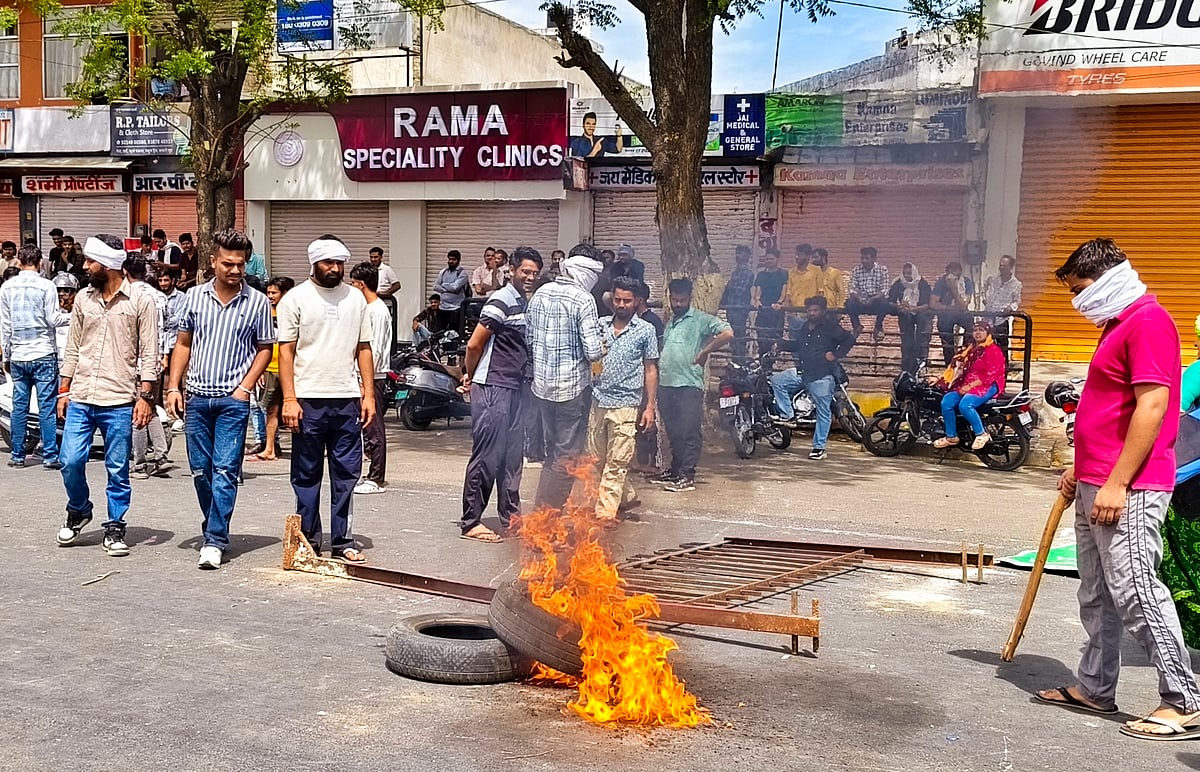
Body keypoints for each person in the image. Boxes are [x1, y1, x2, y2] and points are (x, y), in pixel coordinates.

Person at [1033, 238, 1200, 742]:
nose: (1076, 302)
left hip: (1129, 486)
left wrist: (1117, 482)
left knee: (1136, 590)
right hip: (1095, 479)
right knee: (1098, 591)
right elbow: (1109, 409)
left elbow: (1151, 409)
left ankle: (1183, 700)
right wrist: (1081, 470)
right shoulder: (1117, 325)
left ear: (1108, 280)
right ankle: (1096, 687)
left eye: (1080, 289)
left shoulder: (1149, 322)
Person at [165, 229, 274, 570]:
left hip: (233, 401)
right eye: (228, 263)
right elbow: (183, 345)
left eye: (240, 264)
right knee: (201, 471)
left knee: (225, 470)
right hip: (197, 398)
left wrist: (244, 388)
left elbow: (265, 348)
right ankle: (214, 525)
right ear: (213, 262)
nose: (235, 270)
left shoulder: (256, 301)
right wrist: (173, 387)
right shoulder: (193, 298)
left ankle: (214, 539)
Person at [55, 235, 160, 557]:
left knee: (117, 467)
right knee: (69, 460)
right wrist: (63, 390)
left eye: (91, 261)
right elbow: (72, 348)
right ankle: (79, 508)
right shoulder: (84, 300)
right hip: (82, 395)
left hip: (118, 399)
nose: (86, 267)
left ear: (110, 264)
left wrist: (146, 398)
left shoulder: (141, 300)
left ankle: (115, 525)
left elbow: (150, 352)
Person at [277, 236, 375, 563]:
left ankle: (343, 539)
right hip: (307, 400)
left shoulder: (356, 299)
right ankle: (308, 541)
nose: (334, 269)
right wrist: (288, 399)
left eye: (339, 263)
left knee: (346, 473)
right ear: (314, 263)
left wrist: (368, 394)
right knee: (306, 475)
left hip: (347, 399)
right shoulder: (295, 299)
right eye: (327, 262)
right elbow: (286, 352)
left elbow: (364, 348)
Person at [458, 247, 542, 542]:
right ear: (512, 271)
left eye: (534, 273)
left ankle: (511, 518)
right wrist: (468, 374)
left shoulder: (524, 302)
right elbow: (474, 344)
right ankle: (471, 522)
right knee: (488, 456)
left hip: (516, 389)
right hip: (493, 386)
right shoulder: (502, 299)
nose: (530, 277)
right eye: (525, 271)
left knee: (511, 458)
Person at [525, 244, 605, 510]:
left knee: (553, 454)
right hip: (572, 391)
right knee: (567, 456)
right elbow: (593, 351)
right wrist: (602, 345)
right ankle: (548, 518)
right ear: (585, 274)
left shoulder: (540, 293)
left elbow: (529, 339)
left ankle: (542, 515)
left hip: (542, 389)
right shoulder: (583, 300)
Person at [589, 276, 659, 523]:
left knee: (617, 460)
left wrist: (650, 406)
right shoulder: (599, 325)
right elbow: (592, 359)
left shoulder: (646, 331)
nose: (621, 304)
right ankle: (626, 495)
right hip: (598, 399)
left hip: (627, 404)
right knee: (597, 458)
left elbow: (650, 369)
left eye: (627, 300)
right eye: (617, 299)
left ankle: (605, 513)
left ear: (637, 301)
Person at [654, 277, 733, 492]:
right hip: (667, 384)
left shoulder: (700, 320)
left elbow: (728, 333)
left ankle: (687, 475)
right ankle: (676, 470)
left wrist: (705, 351)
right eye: (674, 300)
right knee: (673, 431)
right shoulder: (670, 321)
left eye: (682, 300)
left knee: (689, 431)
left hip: (689, 385)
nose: (678, 304)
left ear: (690, 298)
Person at [0, 244, 68, 468]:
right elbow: (53, 319)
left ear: (19, 260)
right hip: (43, 352)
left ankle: (17, 455)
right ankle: (49, 455)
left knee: (19, 407)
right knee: (46, 407)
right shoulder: (46, 286)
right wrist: (73, 316)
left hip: (18, 354)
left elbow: (5, 326)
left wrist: (6, 356)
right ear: (39, 262)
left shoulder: (7, 287)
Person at [769, 296, 854, 460]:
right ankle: (788, 414)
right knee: (777, 381)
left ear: (822, 311)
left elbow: (849, 339)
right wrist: (782, 344)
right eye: (809, 310)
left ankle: (819, 448)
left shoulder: (831, 327)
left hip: (821, 375)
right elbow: (798, 345)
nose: (812, 313)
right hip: (802, 372)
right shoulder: (804, 327)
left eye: (815, 310)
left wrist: (835, 354)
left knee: (823, 411)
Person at [348, 262, 393, 496]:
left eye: (353, 283)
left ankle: (376, 477)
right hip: (369, 377)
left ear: (361, 284)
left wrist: (363, 382)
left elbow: (372, 349)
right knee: (367, 428)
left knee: (374, 428)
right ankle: (371, 474)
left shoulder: (376, 311)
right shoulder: (371, 309)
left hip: (372, 378)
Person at [125, 255, 171, 479]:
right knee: (150, 409)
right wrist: (165, 355)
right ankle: (161, 455)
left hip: (135, 363)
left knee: (138, 413)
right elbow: (168, 330)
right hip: (156, 363)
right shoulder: (160, 297)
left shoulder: (128, 296)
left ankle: (140, 462)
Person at [932, 320, 1006, 450]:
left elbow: (990, 376)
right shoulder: (970, 349)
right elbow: (955, 367)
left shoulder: (993, 350)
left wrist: (970, 386)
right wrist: (940, 379)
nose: (978, 333)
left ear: (988, 333)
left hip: (987, 385)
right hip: (967, 383)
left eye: (981, 330)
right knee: (946, 402)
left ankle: (981, 434)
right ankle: (951, 436)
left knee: (965, 405)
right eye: (975, 330)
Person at [253, 276, 294, 462]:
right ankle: (269, 448)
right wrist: (259, 369)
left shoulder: (293, 312)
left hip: (291, 369)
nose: (270, 296)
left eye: (274, 293)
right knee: (270, 409)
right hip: (270, 367)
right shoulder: (264, 313)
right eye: (268, 293)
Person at [633, 278, 663, 473]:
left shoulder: (652, 322)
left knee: (648, 420)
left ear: (640, 299)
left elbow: (656, 353)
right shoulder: (630, 321)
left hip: (647, 377)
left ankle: (651, 461)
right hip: (634, 380)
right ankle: (640, 459)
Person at [887, 262, 933, 375]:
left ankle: (920, 366)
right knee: (907, 341)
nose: (907, 276)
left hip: (921, 314)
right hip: (905, 315)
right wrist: (900, 306)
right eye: (905, 273)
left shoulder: (922, 284)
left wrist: (915, 308)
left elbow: (928, 304)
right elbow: (890, 301)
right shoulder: (898, 283)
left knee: (921, 339)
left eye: (909, 273)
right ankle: (906, 369)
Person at [932, 261, 975, 366]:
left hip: (962, 314)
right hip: (946, 315)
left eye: (956, 273)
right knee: (947, 341)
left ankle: (965, 359)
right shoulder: (941, 282)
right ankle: (950, 366)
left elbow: (963, 306)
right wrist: (949, 308)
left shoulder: (966, 282)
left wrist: (954, 289)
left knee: (971, 327)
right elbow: (933, 303)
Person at [845, 247, 890, 341]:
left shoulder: (882, 269)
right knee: (849, 303)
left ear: (874, 259)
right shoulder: (856, 270)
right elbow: (851, 289)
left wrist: (873, 299)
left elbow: (885, 290)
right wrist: (859, 298)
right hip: (860, 300)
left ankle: (878, 327)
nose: (864, 261)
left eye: (867, 258)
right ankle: (857, 326)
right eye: (862, 258)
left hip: (876, 300)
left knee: (885, 303)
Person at [982, 254, 1023, 354]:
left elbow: (1016, 301)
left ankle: (1003, 367)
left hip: (1001, 319)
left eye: (1004, 266)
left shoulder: (1016, 284)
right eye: (1000, 265)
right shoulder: (992, 279)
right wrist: (985, 299)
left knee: (1002, 346)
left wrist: (1010, 308)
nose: (1001, 268)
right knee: (985, 345)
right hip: (987, 317)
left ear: (1010, 267)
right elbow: (984, 290)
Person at [720, 245, 754, 358]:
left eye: (741, 253)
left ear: (748, 256)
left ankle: (740, 363)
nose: (738, 256)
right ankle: (735, 364)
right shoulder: (735, 272)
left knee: (739, 338)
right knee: (732, 338)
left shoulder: (747, 273)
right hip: (731, 308)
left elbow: (738, 291)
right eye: (737, 253)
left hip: (740, 309)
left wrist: (729, 286)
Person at [751, 248, 788, 348]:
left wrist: (779, 302)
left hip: (776, 312)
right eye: (767, 259)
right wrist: (757, 300)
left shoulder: (784, 274)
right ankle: (762, 361)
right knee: (762, 339)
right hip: (763, 311)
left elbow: (784, 290)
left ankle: (770, 362)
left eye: (771, 259)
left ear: (777, 259)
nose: (768, 261)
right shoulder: (761, 274)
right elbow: (758, 290)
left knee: (775, 341)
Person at [432, 250, 468, 333]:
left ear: (458, 260)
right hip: (442, 307)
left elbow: (455, 287)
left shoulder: (462, 273)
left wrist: (443, 286)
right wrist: (449, 287)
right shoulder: (443, 272)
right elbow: (436, 286)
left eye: (453, 259)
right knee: (439, 332)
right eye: (449, 259)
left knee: (453, 334)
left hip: (455, 308)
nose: (451, 261)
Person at [783, 244, 818, 311]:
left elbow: (820, 290)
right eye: (796, 254)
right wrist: (786, 302)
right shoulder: (791, 271)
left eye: (799, 255)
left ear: (808, 256)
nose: (796, 257)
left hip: (809, 310)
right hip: (794, 310)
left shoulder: (816, 270)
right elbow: (789, 290)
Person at [52, 272, 78, 360]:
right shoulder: (49, 310)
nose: (61, 294)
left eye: (66, 290)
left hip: (71, 356)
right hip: (53, 355)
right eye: (58, 290)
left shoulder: (79, 309)